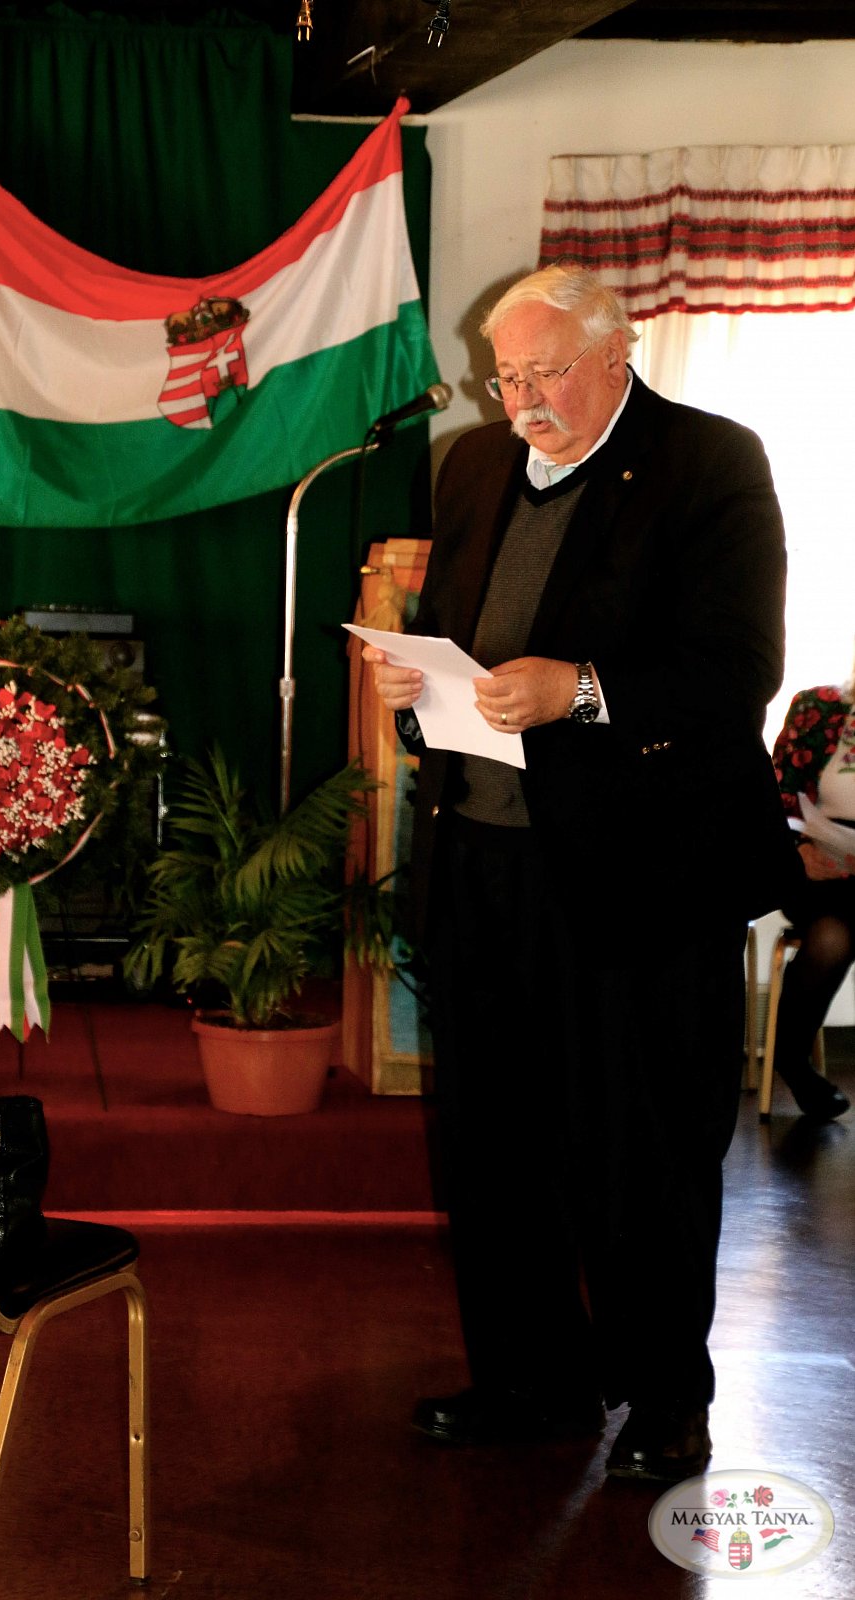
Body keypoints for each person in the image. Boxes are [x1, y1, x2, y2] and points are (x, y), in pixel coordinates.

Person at [362, 264, 799, 1484]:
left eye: (542, 373)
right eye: (504, 376)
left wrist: (582, 692)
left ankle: (667, 1403)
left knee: (642, 1152)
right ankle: (528, 1379)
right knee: (493, 1148)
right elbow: (465, 634)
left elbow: (733, 671)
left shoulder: (708, 464)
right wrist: (416, 691)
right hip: (484, 865)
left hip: (640, 880)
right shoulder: (470, 469)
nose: (519, 401)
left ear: (617, 353)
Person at [769, 680, 855, 1120]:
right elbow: (775, 793)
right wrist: (798, 849)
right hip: (814, 868)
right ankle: (791, 1059)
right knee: (831, 936)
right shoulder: (821, 707)